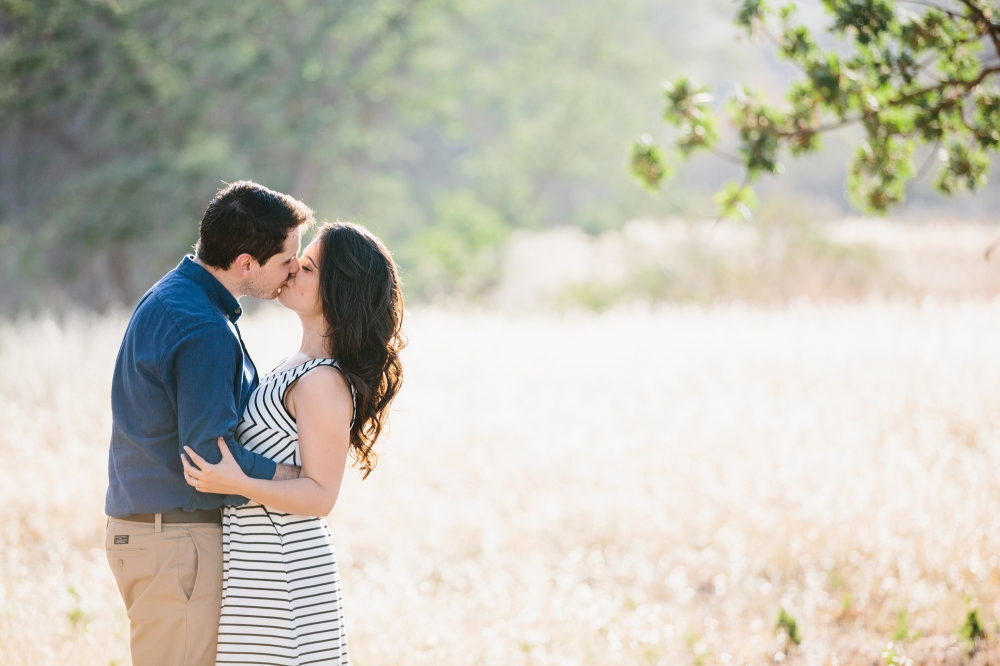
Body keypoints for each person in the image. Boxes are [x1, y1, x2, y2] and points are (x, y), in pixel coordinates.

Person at [104, 181, 314, 666]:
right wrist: (297, 478)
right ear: (245, 263)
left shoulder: (174, 296)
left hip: (154, 534)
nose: (292, 271)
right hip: (175, 541)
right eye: (286, 260)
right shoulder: (204, 328)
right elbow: (207, 457)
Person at [180, 221, 405, 665]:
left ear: (338, 289)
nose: (292, 272)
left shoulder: (322, 381)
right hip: (256, 564)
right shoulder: (298, 363)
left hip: (283, 571)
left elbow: (322, 494)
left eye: (308, 268)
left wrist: (238, 481)